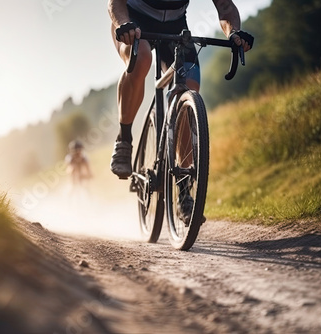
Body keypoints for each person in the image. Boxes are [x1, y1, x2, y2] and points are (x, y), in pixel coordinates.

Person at [108, 0, 254, 222]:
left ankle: (184, 189)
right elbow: (115, 2)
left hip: (175, 25)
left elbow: (225, 7)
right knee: (141, 59)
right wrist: (124, 23)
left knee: (190, 87)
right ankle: (124, 139)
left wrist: (234, 32)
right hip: (133, 20)